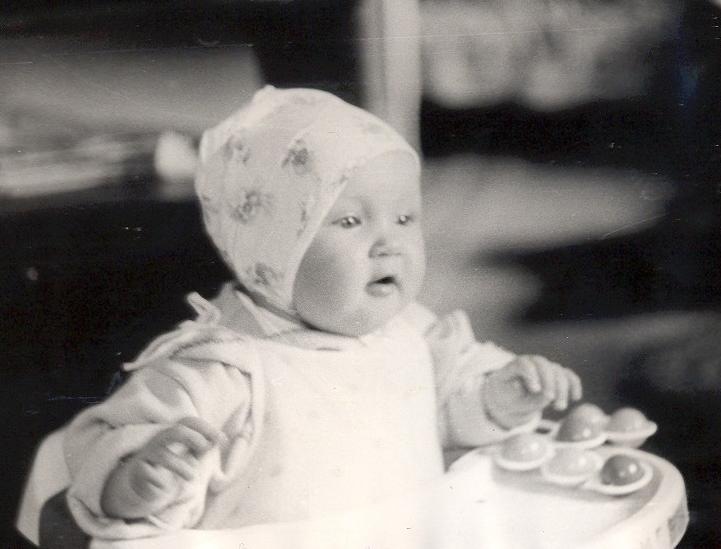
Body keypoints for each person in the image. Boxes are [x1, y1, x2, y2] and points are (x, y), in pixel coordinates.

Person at [63, 86, 582, 540]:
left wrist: (498, 397)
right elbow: (100, 447)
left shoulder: (413, 334)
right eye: (351, 221)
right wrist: (138, 481)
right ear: (275, 249)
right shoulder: (225, 370)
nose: (389, 243)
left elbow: (449, 412)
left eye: (405, 218)